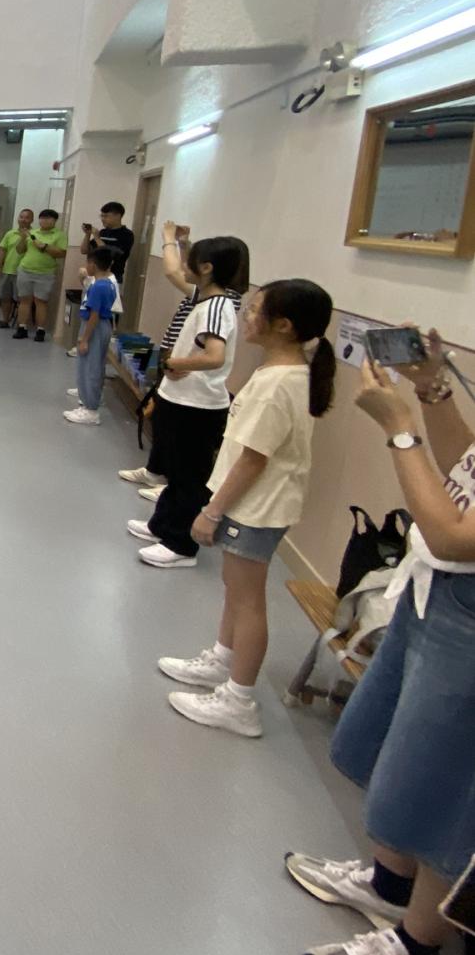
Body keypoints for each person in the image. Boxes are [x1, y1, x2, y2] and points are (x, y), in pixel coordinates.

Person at [283, 325, 475, 955]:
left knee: (447, 783)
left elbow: (453, 534)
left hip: (465, 611)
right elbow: (465, 467)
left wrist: (400, 428)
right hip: (434, 593)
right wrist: (433, 390)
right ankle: (389, 885)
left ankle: (415, 944)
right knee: (403, 753)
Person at [154, 279, 332, 738]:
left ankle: (239, 701)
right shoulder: (283, 372)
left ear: (283, 325)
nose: (246, 317)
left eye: (255, 310)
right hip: (255, 503)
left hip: (257, 506)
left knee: (248, 599)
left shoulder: (279, 383)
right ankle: (223, 659)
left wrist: (211, 511)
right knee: (235, 588)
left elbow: (254, 458)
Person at [130, 224, 250, 568]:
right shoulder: (206, 299)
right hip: (180, 398)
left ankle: (181, 545)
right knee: (175, 470)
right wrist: (181, 242)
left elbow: (214, 356)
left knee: (189, 477)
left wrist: (176, 363)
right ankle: (161, 525)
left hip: (198, 405)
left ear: (207, 268)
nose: (184, 265)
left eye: (190, 260)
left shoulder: (217, 306)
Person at [64, 246, 119, 426]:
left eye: (87, 263)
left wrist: (84, 338)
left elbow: (94, 314)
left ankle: (90, 409)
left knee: (90, 367)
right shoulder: (107, 283)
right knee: (93, 365)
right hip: (101, 326)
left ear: (93, 265)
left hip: (94, 327)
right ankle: (89, 401)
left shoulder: (99, 287)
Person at [11, 209, 67, 342]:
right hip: (25, 270)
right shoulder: (33, 232)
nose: (44, 221)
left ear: (54, 221)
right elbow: (19, 250)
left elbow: (61, 253)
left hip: (45, 273)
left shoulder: (59, 235)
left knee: (41, 301)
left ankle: (40, 330)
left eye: (48, 219)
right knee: (24, 300)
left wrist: (43, 246)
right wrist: (23, 238)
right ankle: (22, 328)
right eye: (42, 218)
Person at [0, 208, 34, 330]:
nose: (23, 220)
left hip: (24, 272)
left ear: (32, 220)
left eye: (27, 217)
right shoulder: (10, 233)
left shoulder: (34, 235)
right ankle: (4, 320)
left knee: (21, 299)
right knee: (5, 297)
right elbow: (2, 250)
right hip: (7, 270)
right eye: (21, 217)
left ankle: (20, 324)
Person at [82, 201, 136, 283]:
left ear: (118, 216)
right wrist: (87, 235)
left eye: (106, 216)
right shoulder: (103, 232)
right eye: (101, 216)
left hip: (112, 277)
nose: (103, 219)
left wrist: (97, 238)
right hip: (94, 276)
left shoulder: (127, 234)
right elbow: (84, 250)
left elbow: (109, 255)